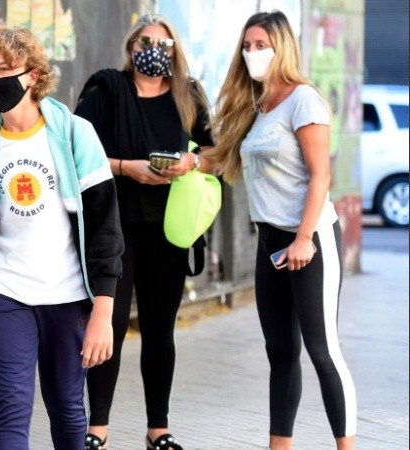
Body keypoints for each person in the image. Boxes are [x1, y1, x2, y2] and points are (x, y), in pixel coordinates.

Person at [0, 25, 124, 450]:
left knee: (67, 406)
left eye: (4, 68)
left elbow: (105, 228)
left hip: (68, 294)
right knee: (10, 402)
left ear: (32, 74)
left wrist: (103, 311)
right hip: (4, 290)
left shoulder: (73, 135)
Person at [205, 10, 357, 450]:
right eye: (247, 46)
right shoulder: (256, 105)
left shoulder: (303, 100)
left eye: (262, 45)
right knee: (281, 354)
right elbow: (226, 156)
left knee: (322, 350)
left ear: (282, 47)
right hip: (269, 241)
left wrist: (305, 237)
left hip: (310, 239)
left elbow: (320, 177)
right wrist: (191, 162)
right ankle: (279, 446)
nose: (253, 53)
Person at [74, 13, 213, 450]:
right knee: (107, 326)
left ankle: (158, 428)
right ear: (131, 47)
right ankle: (97, 429)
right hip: (112, 227)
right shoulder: (105, 91)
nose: (154, 49)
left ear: (174, 52)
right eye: (145, 41)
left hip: (166, 229)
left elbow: (214, 152)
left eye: (163, 43)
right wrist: (125, 168)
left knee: (159, 329)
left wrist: (190, 162)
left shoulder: (187, 96)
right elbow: (77, 152)